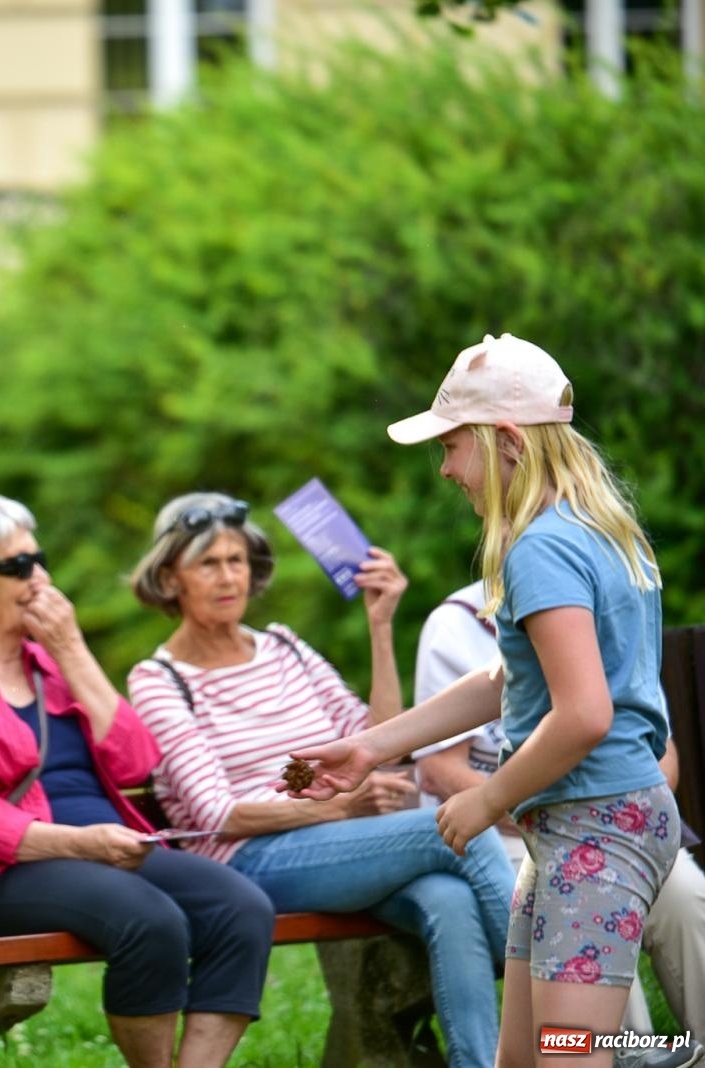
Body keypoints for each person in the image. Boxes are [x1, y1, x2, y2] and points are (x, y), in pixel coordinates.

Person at [288, 333, 680, 1068]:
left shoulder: (541, 548)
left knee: (569, 1056)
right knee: (523, 1058)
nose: (444, 468)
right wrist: (372, 746)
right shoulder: (596, 530)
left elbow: (584, 714)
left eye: (452, 445)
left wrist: (487, 798)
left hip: (595, 825)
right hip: (581, 823)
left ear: (507, 441)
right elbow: (508, 681)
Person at [124, 490, 516, 1068]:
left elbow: (376, 743)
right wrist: (342, 808)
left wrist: (379, 626)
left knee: (450, 900)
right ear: (168, 577)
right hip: (249, 861)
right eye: (207, 563)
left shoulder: (284, 647)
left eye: (236, 560)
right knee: (460, 829)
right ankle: (564, 995)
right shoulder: (159, 679)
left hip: (339, 848)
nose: (228, 576)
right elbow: (217, 814)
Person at [0, 489, 276, 1068]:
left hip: (104, 846)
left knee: (240, 907)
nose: (39, 577)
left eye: (38, 559)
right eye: (17, 566)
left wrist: (71, 649)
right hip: (0, 872)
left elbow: (136, 761)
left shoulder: (52, 664)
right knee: (150, 921)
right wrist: (80, 843)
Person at [416, 582, 705, 1066]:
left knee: (688, 898)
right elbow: (442, 765)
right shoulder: (458, 622)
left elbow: (660, 754)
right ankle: (624, 1049)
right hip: (511, 832)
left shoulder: (610, 599)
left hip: (615, 823)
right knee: (587, 932)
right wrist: (519, 803)